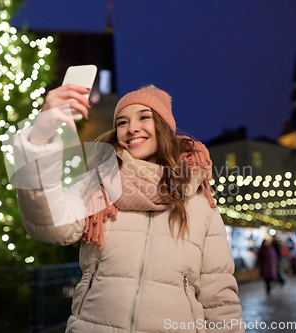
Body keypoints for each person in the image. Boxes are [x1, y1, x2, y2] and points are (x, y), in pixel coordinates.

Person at [13, 84, 245, 332]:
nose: (131, 128)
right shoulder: (97, 186)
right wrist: (39, 139)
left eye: (144, 117)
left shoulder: (197, 200)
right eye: (122, 122)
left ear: (164, 127)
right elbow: (49, 225)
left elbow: (220, 299)